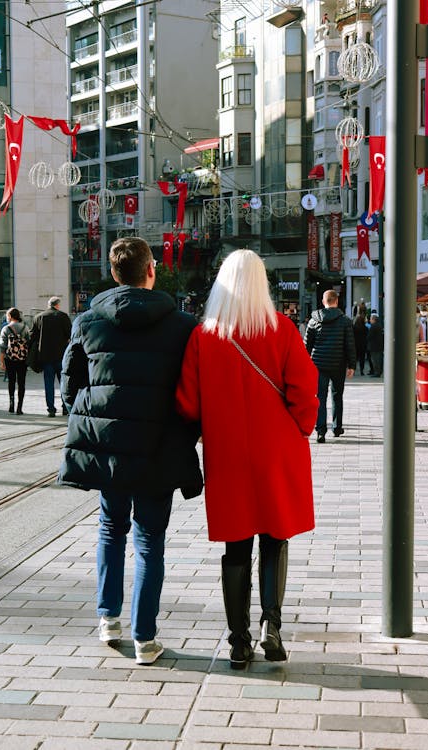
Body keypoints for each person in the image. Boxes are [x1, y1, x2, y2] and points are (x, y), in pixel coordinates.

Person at [58, 236, 202, 665]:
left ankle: (108, 620)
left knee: (110, 528)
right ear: (151, 270)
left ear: (114, 272)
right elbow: (194, 391)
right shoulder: (182, 325)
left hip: (109, 449)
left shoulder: (87, 321)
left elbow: (69, 386)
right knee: (149, 540)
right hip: (159, 448)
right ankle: (145, 638)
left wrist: (96, 418)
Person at [176, 249, 318, 669]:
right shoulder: (282, 329)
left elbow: (187, 402)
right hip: (277, 450)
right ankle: (272, 624)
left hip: (229, 453)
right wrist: (301, 428)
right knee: (275, 538)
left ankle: (238, 641)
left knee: (236, 546)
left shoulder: (205, 335)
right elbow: (304, 389)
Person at [304, 289, 356, 443]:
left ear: (323, 301)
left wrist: (305, 363)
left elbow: (307, 344)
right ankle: (337, 427)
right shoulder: (345, 321)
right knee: (337, 396)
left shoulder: (314, 320)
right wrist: (351, 365)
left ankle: (320, 431)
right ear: (337, 301)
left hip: (318, 365)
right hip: (338, 364)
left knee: (320, 398)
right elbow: (350, 345)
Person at [29, 296, 72, 416]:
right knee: (64, 383)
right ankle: (65, 407)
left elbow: (32, 336)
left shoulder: (38, 317)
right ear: (57, 305)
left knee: (48, 384)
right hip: (61, 356)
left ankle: (51, 409)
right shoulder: (63, 316)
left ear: (49, 305)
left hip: (45, 356)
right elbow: (70, 334)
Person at [0, 307, 31, 414]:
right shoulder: (25, 328)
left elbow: (2, 347)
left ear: (10, 316)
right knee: (21, 383)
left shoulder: (6, 329)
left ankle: (11, 404)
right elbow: (29, 343)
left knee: (11, 382)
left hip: (10, 358)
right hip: (22, 359)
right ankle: (19, 407)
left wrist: (2, 362)